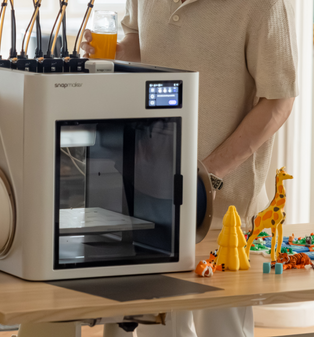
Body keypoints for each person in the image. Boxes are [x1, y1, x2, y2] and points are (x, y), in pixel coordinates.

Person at [82, 0, 298, 336]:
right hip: (149, 189)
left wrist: (207, 174)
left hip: (223, 208)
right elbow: (143, 44)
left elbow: (279, 101)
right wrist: (110, 52)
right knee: (160, 327)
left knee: (222, 329)